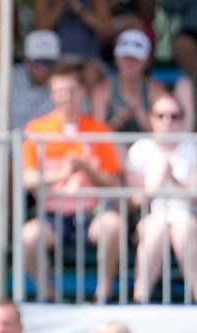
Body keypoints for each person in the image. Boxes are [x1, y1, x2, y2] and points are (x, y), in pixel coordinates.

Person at [20, 63, 125, 303]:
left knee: (113, 225)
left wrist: (88, 169)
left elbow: (114, 181)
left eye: (72, 90)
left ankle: (104, 292)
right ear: (52, 94)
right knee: (29, 235)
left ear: (82, 93)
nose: (66, 97)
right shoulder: (37, 130)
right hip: (52, 214)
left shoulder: (98, 131)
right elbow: (28, 179)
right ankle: (46, 294)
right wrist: (64, 174)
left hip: (90, 214)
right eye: (60, 91)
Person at [125, 92, 197, 302]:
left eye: (174, 116)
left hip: (186, 215)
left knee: (184, 231)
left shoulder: (192, 148)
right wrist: (159, 184)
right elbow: (134, 200)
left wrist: (174, 180)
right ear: (151, 118)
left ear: (183, 120)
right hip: (150, 215)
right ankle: (141, 298)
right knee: (155, 230)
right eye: (161, 115)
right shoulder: (140, 149)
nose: (168, 121)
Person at [91, 29, 166, 134]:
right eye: (125, 58)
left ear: (147, 61)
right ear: (116, 59)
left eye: (135, 58)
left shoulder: (156, 90)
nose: (130, 63)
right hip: (112, 149)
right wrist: (118, 121)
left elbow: (163, 133)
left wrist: (139, 113)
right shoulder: (102, 90)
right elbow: (97, 136)